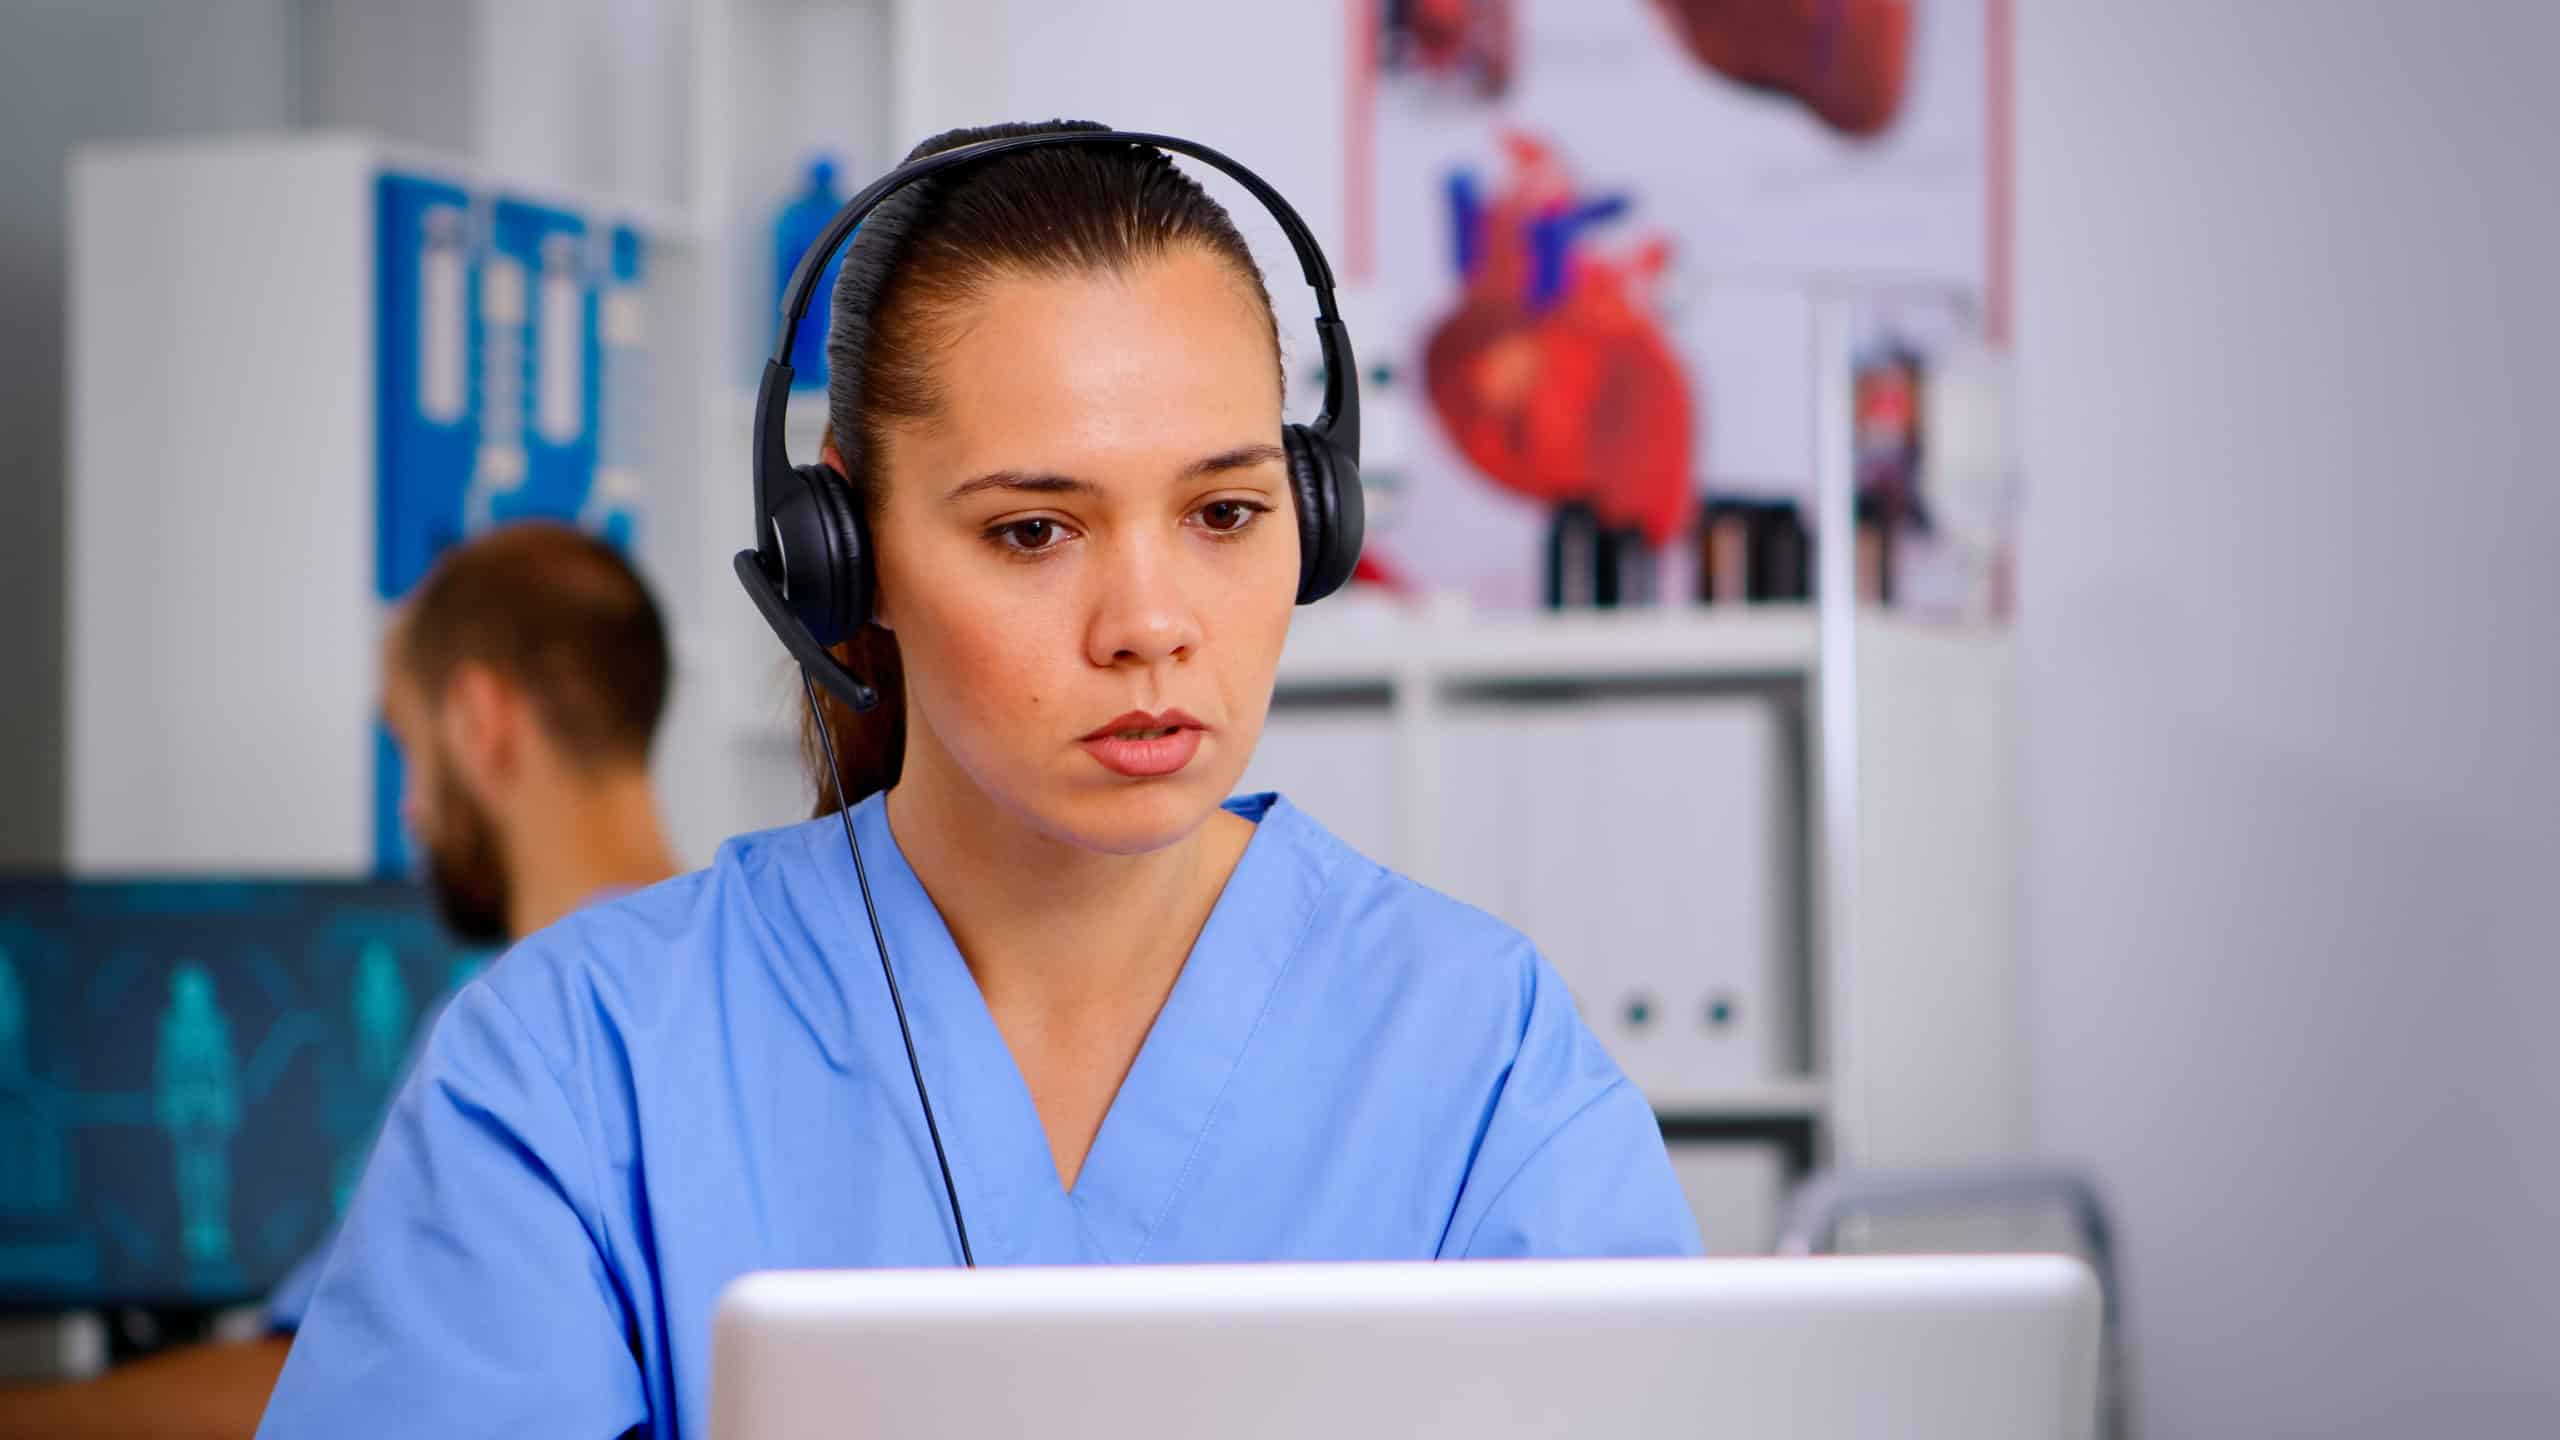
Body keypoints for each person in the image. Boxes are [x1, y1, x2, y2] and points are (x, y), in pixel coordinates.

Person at [259, 122, 1702, 1440]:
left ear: (1311, 522)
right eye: (1033, 532)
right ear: (843, 546)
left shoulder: (1482, 1058)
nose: (1149, 622)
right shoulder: (573, 1068)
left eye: (1225, 512)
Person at [0, 521, 683, 1439]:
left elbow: (311, 1384)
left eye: (407, 743)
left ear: (479, 723)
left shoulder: (518, 1028)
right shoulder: (745, 991)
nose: (409, 803)